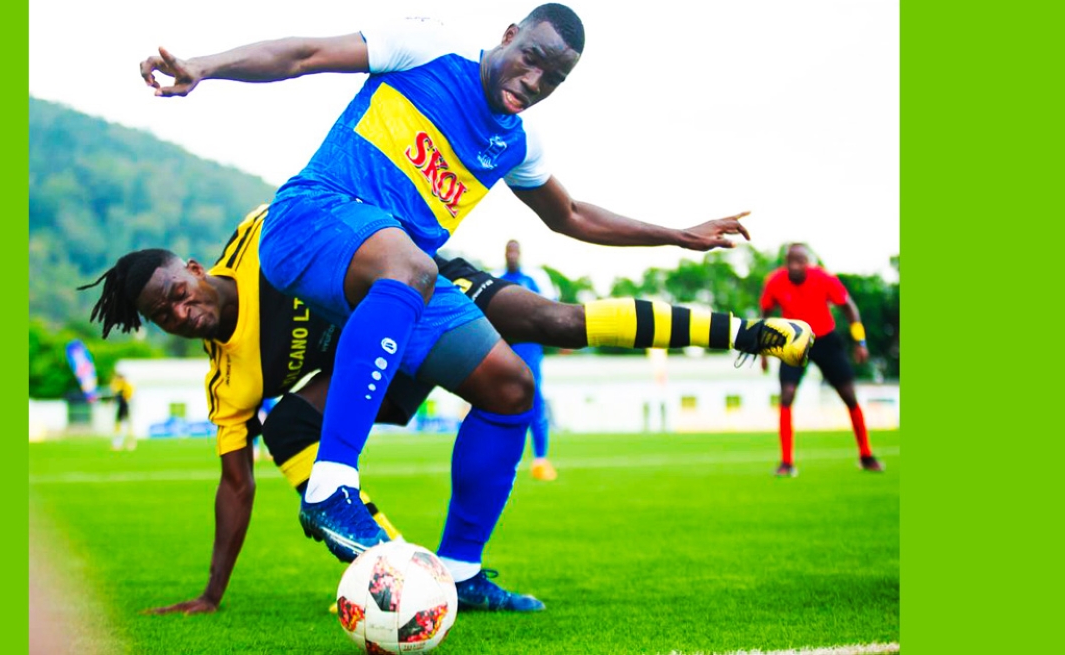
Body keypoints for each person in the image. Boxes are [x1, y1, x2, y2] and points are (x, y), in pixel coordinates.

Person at [138, 4, 778, 572]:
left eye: (552, 80)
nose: (533, 82)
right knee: (412, 268)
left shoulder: (515, 144)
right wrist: (204, 66)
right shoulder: (428, 47)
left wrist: (675, 234)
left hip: (399, 270)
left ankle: (461, 572)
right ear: (508, 35)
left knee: (511, 386)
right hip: (313, 218)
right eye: (531, 59)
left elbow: (572, 215)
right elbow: (303, 54)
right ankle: (333, 484)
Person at [80, 205, 813, 614]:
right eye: (162, 315)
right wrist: (211, 593)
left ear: (194, 268)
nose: (181, 312)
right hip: (370, 367)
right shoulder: (228, 380)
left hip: (418, 288)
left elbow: (347, 210)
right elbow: (234, 483)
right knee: (287, 424)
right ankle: (411, 577)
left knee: (549, 325)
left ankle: (746, 334)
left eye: (177, 292)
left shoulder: (263, 236)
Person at [760, 243, 883, 477]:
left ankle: (866, 455)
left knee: (848, 395)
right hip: (793, 341)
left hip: (826, 339)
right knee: (786, 396)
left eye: (800, 261)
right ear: (785, 263)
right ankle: (786, 462)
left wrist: (861, 341)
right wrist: (764, 352)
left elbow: (849, 308)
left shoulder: (824, 279)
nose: (795, 266)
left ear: (809, 262)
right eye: (790, 261)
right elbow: (765, 313)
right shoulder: (775, 281)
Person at [495, 240, 557, 481]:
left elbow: (548, 309)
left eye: (514, 250)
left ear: (520, 254)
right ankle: (502, 460)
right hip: (502, 348)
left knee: (534, 399)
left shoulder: (531, 280)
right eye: (508, 250)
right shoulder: (497, 280)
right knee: (498, 401)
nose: (511, 255)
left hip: (529, 348)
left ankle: (540, 460)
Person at [109, 372, 135, 451]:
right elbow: (114, 393)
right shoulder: (117, 385)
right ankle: (117, 443)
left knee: (127, 425)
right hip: (120, 406)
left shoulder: (127, 386)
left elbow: (128, 396)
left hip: (125, 406)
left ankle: (130, 443)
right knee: (118, 425)